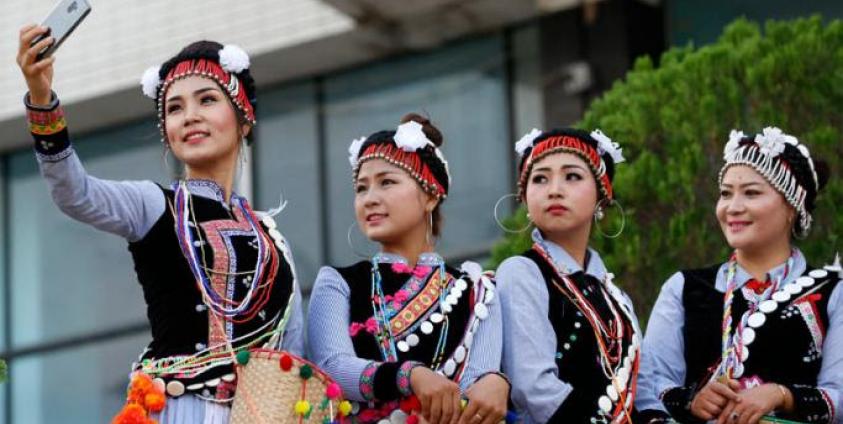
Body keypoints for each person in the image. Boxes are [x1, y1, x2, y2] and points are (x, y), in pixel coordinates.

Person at [17, 26, 303, 423]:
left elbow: (294, 354)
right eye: (174, 108)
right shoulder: (155, 205)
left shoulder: (273, 240)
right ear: (167, 133)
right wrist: (41, 98)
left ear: (244, 118)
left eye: (207, 100)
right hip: (176, 408)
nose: (191, 117)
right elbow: (75, 192)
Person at [307, 114, 509, 424]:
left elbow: (475, 384)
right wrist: (409, 376)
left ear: (430, 195)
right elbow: (332, 367)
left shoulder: (478, 292)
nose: (370, 199)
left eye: (387, 182)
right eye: (361, 189)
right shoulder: (338, 282)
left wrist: (497, 381)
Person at [636, 128, 842, 424]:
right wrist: (692, 399)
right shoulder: (685, 288)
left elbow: (839, 393)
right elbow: (648, 385)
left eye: (751, 193)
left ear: (792, 207)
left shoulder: (832, 292)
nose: (733, 207)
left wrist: (782, 395)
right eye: (725, 193)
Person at [497, 128, 640, 423]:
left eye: (572, 176)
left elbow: (644, 388)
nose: (554, 190)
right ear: (524, 198)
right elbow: (534, 390)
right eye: (540, 178)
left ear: (602, 196)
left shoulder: (617, 297)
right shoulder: (522, 273)